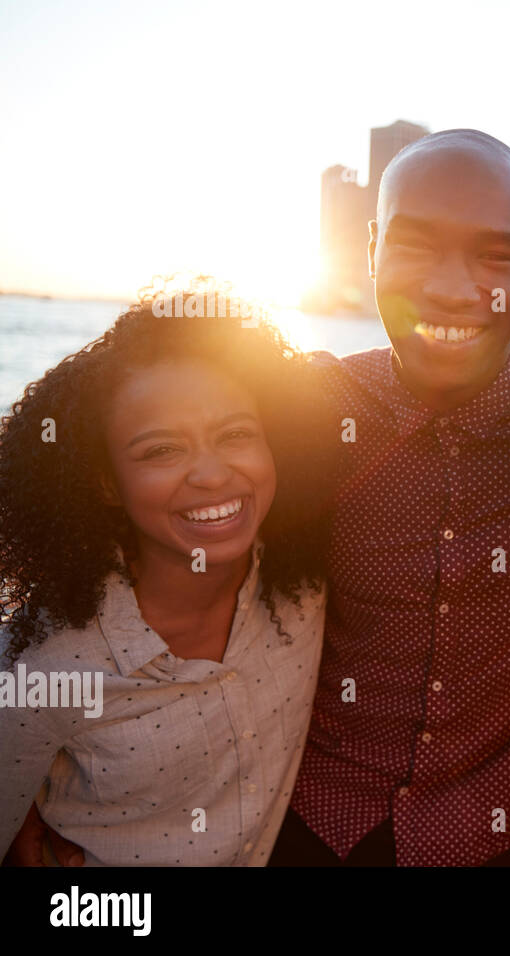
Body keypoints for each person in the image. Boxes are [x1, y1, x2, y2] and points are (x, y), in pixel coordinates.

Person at [8, 129, 510, 868]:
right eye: (416, 246)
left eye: (495, 256)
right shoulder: (300, 405)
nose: (453, 288)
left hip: (491, 840)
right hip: (303, 833)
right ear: (371, 250)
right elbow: (136, 446)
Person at [0, 288, 334, 865]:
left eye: (235, 434)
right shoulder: (45, 662)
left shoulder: (303, 585)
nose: (210, 474)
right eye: (161, 450)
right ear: (105, 483)